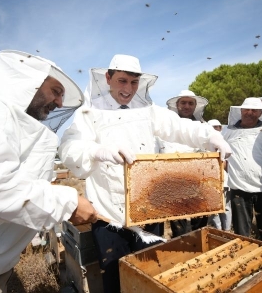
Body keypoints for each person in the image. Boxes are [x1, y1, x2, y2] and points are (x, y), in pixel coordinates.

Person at [58, 54, 231, 293]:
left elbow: (179, 126)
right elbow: (68, 148)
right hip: (109, 215)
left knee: (149, 276)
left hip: (149, 210)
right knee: (115, 281)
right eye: (122, 80)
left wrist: (210, 136)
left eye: (133, 82)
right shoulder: (90, 112)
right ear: (108, 78)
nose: (128, 88)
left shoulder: (147, 110)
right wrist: (98, 151)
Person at [0, 50, 98, 292]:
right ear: (28, 82)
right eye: (56, 91)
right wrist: (69, 203)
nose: (59, 103)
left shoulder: (7, 118)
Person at [223, 97, 262, 243]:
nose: (250, 113)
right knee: (242, 234)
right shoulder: (228, 132)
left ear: (260, 113)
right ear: (241, 111)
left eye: (254, 110)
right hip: (238, 190)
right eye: (247, 109)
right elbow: (221, 157)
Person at [163, 90, 209, 237]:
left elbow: (209, 153)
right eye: (183, 102)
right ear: (177, 105)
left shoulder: (204, 126)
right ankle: (182, 251)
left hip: (199, 181)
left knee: (200, 222)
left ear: (195, 106)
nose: (187, 106)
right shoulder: (167, 126)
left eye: (191, 103)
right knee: (179, 225)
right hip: (174, 181)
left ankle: (198, 251)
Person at [207, 119, 232, 231]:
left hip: (224, 180)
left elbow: (227, 163)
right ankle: (218, 229)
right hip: (209, 181)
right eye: (213, 127)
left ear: (221, 128)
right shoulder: (205, 143)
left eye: (217, 127)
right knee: (214, 207)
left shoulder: (225, 142)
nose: (215, 129)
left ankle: (226, 230)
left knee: (226, 207)